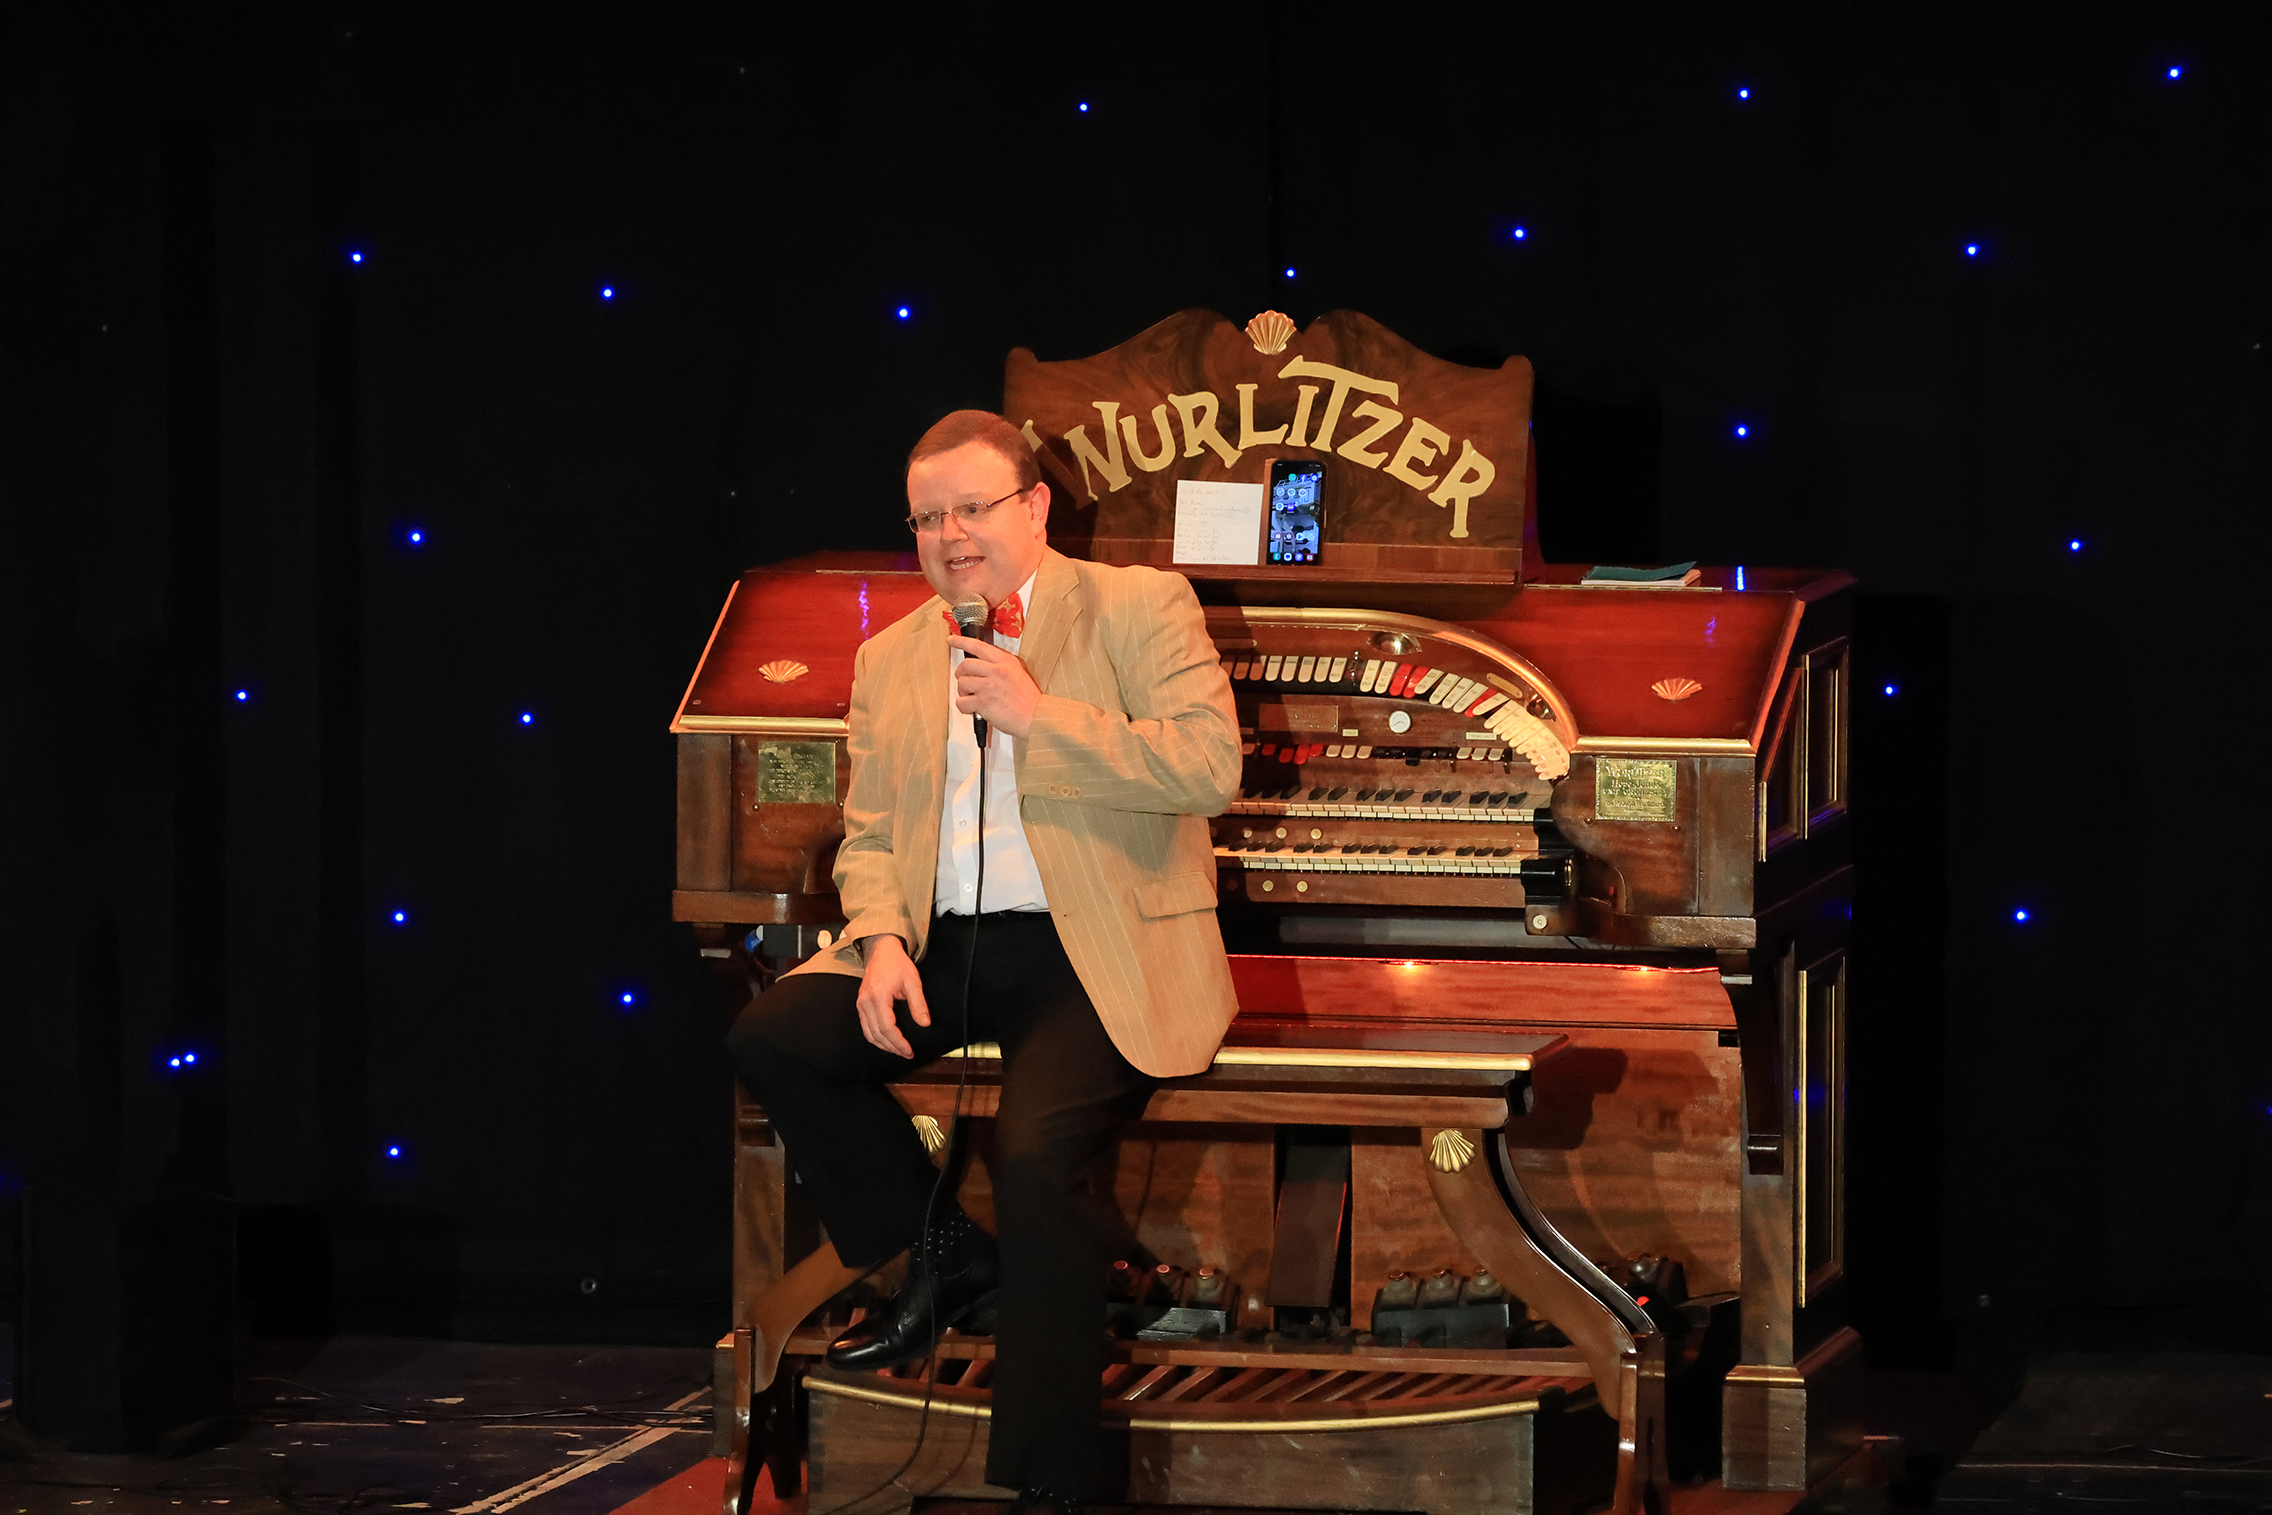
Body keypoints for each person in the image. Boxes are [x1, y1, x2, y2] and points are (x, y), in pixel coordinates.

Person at [726, 409, 1241, 1515]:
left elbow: (1208, 766)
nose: (948, 535)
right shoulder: (890, 654)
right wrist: (881, 942)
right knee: (773, 1037)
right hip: (944, 941)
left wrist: (1039, 714)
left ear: (1035, 506)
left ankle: (1051, 1485)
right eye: (927, 518)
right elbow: (871, 834)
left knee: (1035, 1155)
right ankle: (943, 1252)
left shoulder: (1139, 604)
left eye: (971, 508)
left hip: (1092, 941)